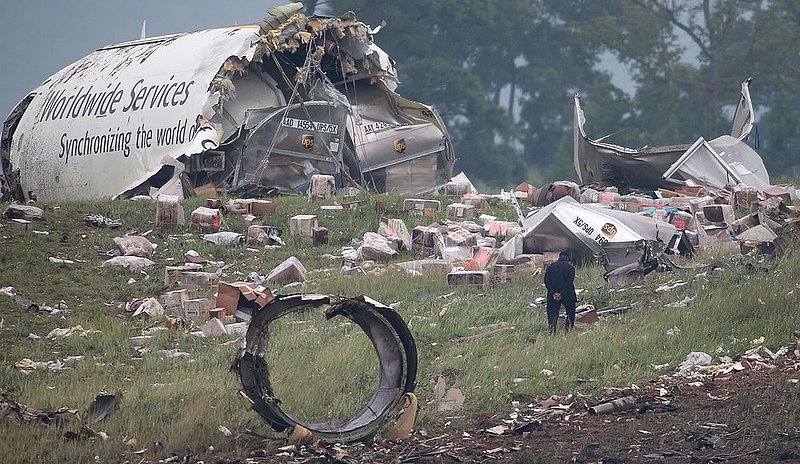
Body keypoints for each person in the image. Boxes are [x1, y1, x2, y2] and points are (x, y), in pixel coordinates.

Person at [543, 250, 577, 335]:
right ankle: (568, 331)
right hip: (568, 294)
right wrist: (561, 293)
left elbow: (547, 281)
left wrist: (553, 293)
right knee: (570, 313)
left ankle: (552, 332)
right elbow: (569, 282)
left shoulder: (551, 267)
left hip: (552, 295)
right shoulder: (570, 268)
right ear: (568, 258)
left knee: (552, 314)